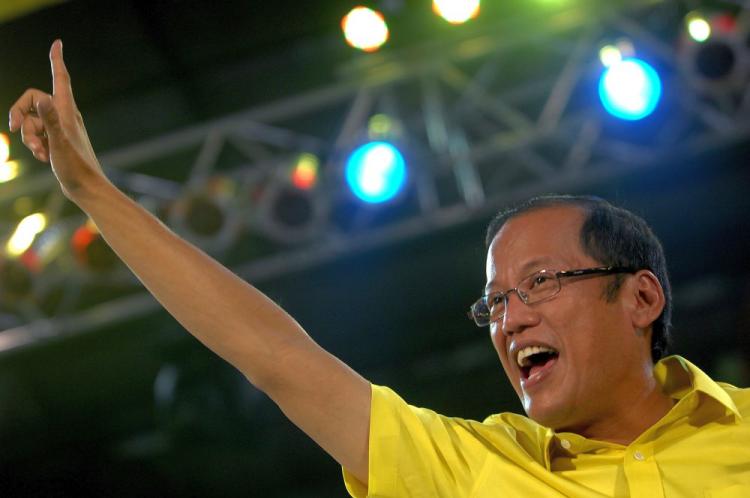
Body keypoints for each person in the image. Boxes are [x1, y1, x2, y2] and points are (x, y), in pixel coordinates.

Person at [9, 41, 750, 497]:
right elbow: (274, 356)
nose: (511, 318)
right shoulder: (465, 470)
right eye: (493, 304)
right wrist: (93, 194)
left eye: (540, 284)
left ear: (641, 296)